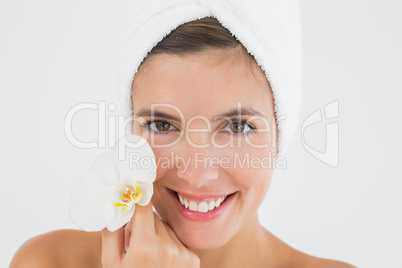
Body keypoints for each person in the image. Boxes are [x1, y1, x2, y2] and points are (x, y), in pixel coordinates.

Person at [10, 13, 356, 268]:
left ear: (281, 132)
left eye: (236, 127)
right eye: (162, 124)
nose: (196, 174)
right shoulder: (48, 262)